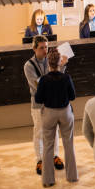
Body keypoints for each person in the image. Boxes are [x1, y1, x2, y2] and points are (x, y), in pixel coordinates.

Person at [34, 49, 77, 187]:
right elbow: (72, 97)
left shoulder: (44, 80)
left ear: (48, 63)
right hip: (65, 112)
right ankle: (72, 177)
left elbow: (38, 99)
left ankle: (48, 180)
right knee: (68, 144)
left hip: (49, 113)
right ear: (60, 63)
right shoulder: (66, 78)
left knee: (48, 146)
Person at [23, 35, 64, 175]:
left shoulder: (50, 61)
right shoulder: (28, 66)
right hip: (38, 104)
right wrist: (52, 78)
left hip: (52, 102)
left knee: (54, 130)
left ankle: (54, 155)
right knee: (39, 131)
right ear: (34, 49)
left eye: (46, 47)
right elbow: (37, 87)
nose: (45, 51)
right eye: (42, 48)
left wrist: (61, 66)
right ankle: (40, 159)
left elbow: (58, 79)